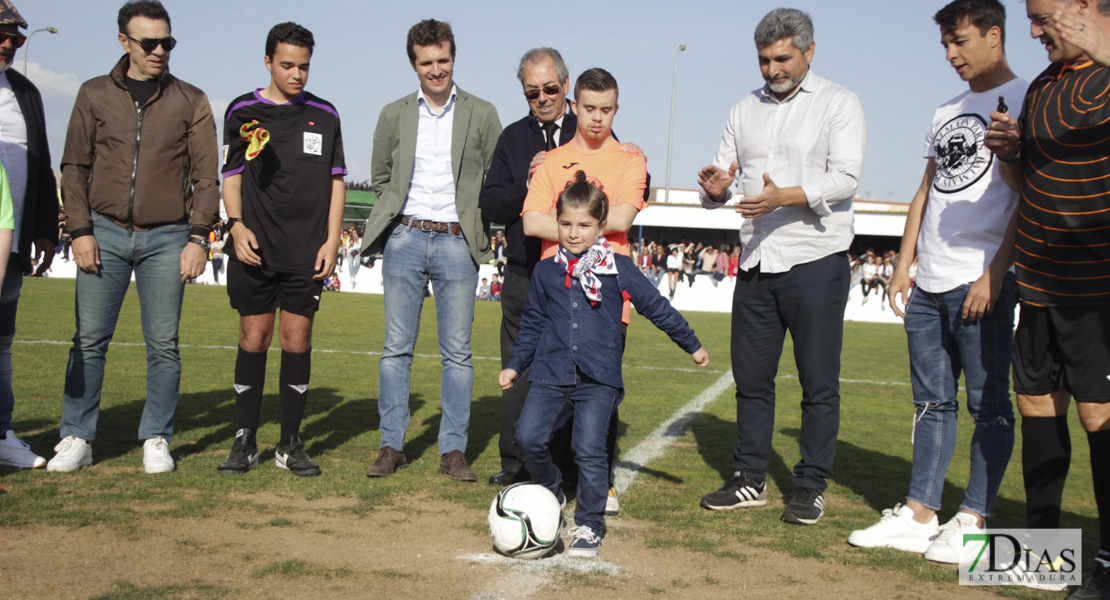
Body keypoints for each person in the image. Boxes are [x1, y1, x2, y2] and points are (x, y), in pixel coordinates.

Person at [846, 0, 1024, 567]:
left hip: (984, 281)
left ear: (994, 35)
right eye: (945, 45)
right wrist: (904, 264)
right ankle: (921, 514)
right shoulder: (946, 109)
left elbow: (1029, 194)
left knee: (990, 406)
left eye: (961, 42)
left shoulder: (1028, 98)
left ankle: (973, 518)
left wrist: (994, 273)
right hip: (930, 283)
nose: (951, 54)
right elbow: (926, 190)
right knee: (931, 403)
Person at [697, 7, 865, 525]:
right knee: (752, 381)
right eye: (765, 59)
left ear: (809, 52)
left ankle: (810, 485)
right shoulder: (743, 108)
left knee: (817, 383)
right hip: (755, 260)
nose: (772, 69)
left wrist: (783, 198)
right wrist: (716, 190)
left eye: (783, 58)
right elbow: (721, 182)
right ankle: (749, 479)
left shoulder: (840, 102)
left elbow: (846, 179)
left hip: (816, 259)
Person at [500, 172, 709, 557]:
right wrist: (515, 365)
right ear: (556, 221)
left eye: (584, 225)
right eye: (565, 224)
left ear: (601, 226)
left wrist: (691, 343)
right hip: (550, 374)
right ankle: (552, 493)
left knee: (589, 449)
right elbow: (531, 323)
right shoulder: (546, 271)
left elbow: (654, 305)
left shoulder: (618, 266)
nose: (574, 233)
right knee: (528, 438)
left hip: (599, 377)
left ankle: (590, 525)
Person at [49, 0, 219, 474]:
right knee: (88, 341)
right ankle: (77, 435)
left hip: (169, 238)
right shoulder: (93, 93)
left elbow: (207, 177)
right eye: (149, 42)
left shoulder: (192, 99)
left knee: (163, 344)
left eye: (168, 41)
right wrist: (79, 230)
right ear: (124, 41)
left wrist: (198, 238)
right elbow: (74, 167)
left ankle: (157, 437)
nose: (160, 50)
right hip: (102, 232)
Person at [478, 49, 645, 512]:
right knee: (528, 374)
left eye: (551, 88)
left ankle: (593, 478)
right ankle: (524, 471)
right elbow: (515, 213)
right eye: (533, 90)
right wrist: (581, 223)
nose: (543, 97)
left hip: (600, 289)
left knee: (596, 385)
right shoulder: (530, 147)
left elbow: (623, 214)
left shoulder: (616, 149)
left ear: (566, 90)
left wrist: (570, 228)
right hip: (538, 280)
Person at [985, 0, 1110, 594]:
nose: (1033, 31)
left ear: (1085, 7)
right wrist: (1010, 153)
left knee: (1098, 415)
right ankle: (1038, 552)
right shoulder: (1043, 85)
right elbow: (1025, 180)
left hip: (1098, 285)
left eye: (1043, 16)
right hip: (1039, 278)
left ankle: (1107, 563)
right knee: (1037, 403)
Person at [361, 19, 501, 481]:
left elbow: (496, 180)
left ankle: (453, 450)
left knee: (457, 353)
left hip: (458, 241)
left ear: (453, 58)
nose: (436, 70)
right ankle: (391, 445)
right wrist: (399, 223)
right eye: (426, 62)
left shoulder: (482, 112)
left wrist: (475, 228)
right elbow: (381, 177)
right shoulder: (393, 113)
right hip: (405, 236)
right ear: (414, 64)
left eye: (443, 60)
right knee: (395, 348)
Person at [216, 22, 345, 477]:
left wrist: (332, 240)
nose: (297, 74)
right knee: (254, 337)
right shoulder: (242, 111)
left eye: (304, 66)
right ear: (268, 61)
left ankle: (290, 444)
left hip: (306, 252)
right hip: (254, 247)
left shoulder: (326, 115)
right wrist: (236, 226)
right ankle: (244, 440)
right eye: (287, 65)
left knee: (297, 339)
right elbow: (230, 176)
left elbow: (335, 182)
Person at [0, 0, 60, 470]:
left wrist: (42, 229)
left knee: (1, 340)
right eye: (1, 34)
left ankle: (1, 431)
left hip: (12, 241)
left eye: (16, 39)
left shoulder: (26, 93)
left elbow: (40, 167)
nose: (9, 44)